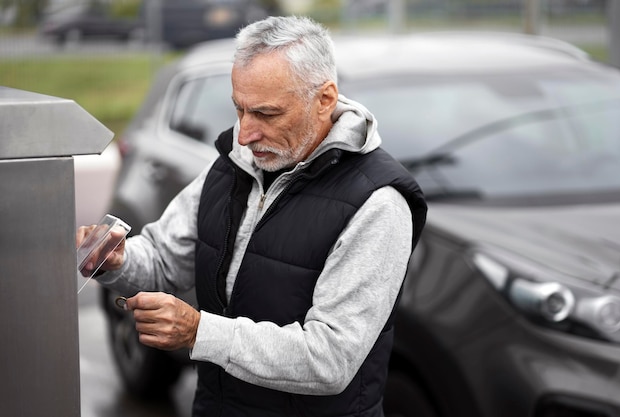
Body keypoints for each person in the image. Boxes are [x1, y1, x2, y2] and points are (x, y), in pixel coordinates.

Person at [76, 15, 427, 417]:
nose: (244, 134)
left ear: (325, 99)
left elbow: (330, 359)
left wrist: (200, 332)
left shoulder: (378, 202)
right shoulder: (234, 165)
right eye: (239, 109)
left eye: (267, 114)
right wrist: (117, 261)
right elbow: (163, 260)